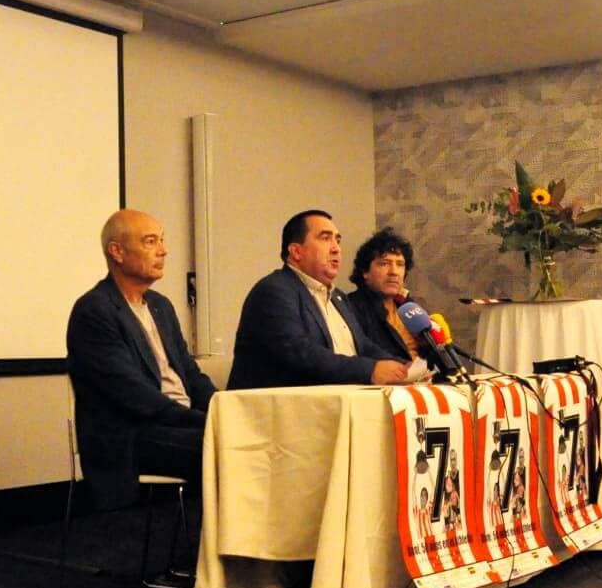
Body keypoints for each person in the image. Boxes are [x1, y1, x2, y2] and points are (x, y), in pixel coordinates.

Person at [66, 209, 216, 511]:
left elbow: (189, 373)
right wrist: (211, 421)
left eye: (162, 240)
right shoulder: (95, 311)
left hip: (178, 424)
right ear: (117, 251)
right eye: (151, 242)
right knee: (230, 448)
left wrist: (223, 407)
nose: (163, 251)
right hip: (131, 437)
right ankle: (225, 551)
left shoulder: (161, 306)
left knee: (250, 440)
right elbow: (136, 398)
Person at [227, 210, 414, 390]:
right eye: (325, 238)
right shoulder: (274, 290)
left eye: (338, 240)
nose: (336, 249)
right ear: (296, 252)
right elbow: (300, 352)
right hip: (282, 410)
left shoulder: (338, 297)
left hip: (338, 400)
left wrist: (407, 369)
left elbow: (364, 346)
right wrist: (370, 370)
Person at [345, 227, 435, 366]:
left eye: (400, 264)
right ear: (365, 271)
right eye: (384, 263)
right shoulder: (350, 308)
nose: (394, 272)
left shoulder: (409, 307)